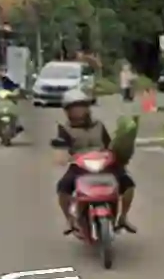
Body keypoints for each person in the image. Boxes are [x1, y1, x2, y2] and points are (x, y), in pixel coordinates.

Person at [53, 93, 135, 233]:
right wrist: (61, 156)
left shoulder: (99, 125)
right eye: (74, 108)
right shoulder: (64, 129)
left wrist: (121, 150)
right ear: (67, 112)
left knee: (129, 185)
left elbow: (109, 145)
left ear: (87, 108)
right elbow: (61, 148)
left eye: (81, 107)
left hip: (105, 162)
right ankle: (69, 220)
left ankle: (123, 217)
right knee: (63, 188)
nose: (78, 111)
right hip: (80, 164)